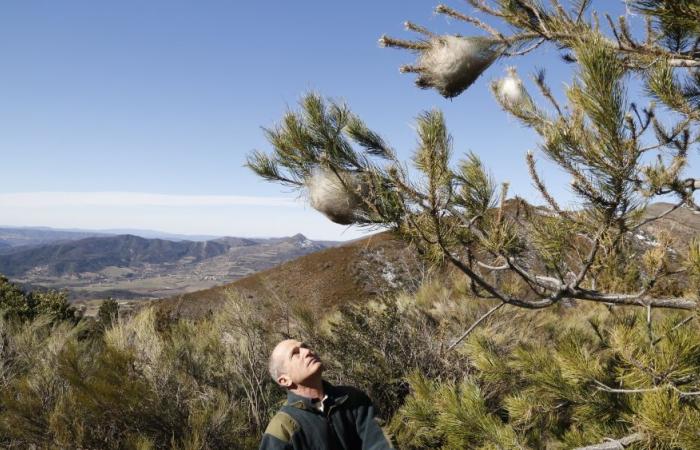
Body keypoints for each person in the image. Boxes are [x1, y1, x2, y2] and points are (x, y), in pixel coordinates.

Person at [259, 339, 393, 450]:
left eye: (305, 347)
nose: (307, 352)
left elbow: (380, 444)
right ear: (285, 380)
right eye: (295, 353)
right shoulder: (282, 428)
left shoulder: (353, 398)